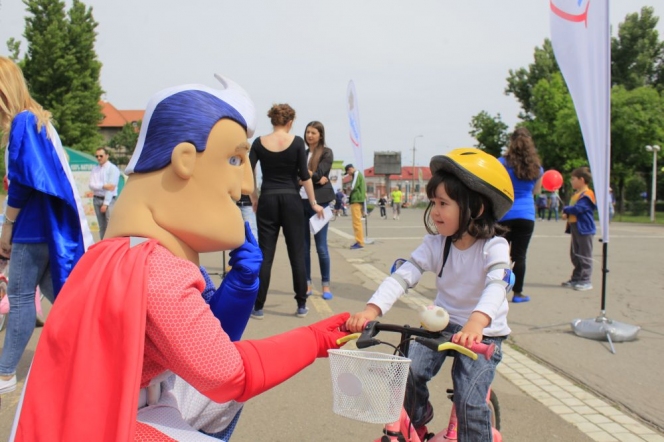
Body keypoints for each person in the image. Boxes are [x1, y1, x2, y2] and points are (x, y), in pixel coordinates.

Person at [11, 77, 350, 441]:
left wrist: (239, 287)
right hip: (111, 424)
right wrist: (314, 340)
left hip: (76, 416)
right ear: (184, 160)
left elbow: (204, 343)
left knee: (221, 402)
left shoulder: (116, 253)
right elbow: (225, 374)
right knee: (227, 394)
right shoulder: (158, 269)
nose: (247, 184)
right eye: (234, 159)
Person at [347, 148, 514, 442]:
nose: (435, 210)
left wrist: (477, 322)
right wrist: (372, 310)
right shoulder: (437, 243)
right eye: (433, 202)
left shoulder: (494, 246)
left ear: (476, 209)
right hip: (443, 324)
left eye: (443, 203)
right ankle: (418, 418)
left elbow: (497, 284)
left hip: (483, 333)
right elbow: (403, 275)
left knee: (468, 399)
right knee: (406, 371)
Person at [0, 57, 93, 395]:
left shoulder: (23, 122)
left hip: (30, 228)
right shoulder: (38, 120)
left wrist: (7, 225)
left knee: (21, 296)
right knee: (67, 297)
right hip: (48, 228)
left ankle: (5, 373)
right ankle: (97, 351)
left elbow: (23, 181)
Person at [250, 104, 324, 320]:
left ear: (272, 121)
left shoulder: (258, 143)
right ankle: (301, 304)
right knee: (297, 253)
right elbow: (304, 175)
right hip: (291, 199)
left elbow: (248, 169)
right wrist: (313, 202)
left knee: (265, 254)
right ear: (290, 122)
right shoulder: (298, 143)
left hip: (268, 199)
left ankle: (259, 306)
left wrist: (254, 196)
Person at [498, 127, 543, 303]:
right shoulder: (537, 168)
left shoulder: (501, 163)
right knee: (520, 256)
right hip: (526, 215)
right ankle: (518, 293)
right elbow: (536, 191)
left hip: (504, 214)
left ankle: (496, 291)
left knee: (499, 254)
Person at [301, 121, 335, 301]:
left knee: (321, 248)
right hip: (301, 203)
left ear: (320, 135)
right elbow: (314, 176)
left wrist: (306, 175)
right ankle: (307, 284)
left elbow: (321, 172)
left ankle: (325, 285)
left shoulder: (326, 152)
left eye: (313, 132)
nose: (309, 135)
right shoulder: (303, 153)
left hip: (320, 204)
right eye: (307, 132)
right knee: (304, 248)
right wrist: (314, 177)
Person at [561, 167, 596, 291]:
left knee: (585, 255)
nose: (571, 181)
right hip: (575, 227)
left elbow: (579, 209)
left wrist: (566, 209)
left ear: (581, 180)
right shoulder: (576, 194)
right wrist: (567, 214)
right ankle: (576, 278)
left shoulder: (588, 194)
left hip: (584, 229)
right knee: (575, 254)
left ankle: (586, 280)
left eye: (573, 179)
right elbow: (573, 209)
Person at [88, 146, 121, 239]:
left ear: (107, 155)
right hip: (97, 198)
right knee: (101, 226)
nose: (98, 158)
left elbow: (111, 187)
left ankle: (111, 245)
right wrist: (103, 185)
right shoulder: (95, 169)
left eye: (101, 156)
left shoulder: (112, 169)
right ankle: (103, 244)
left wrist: (106, 203)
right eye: (97, 156)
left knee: (110, 225)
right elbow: (91, 185)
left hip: (109, 200)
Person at [344, 164, 366, 249]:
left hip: (356, 199)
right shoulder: (358, 174)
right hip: (358, 199)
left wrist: (348, 188)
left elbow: (353, 186)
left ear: (350, 169)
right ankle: (359, 241)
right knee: (357, 222)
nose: (349, 175)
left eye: (348, 172)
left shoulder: (356, 173)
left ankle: (359, 242)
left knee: (356, 222)